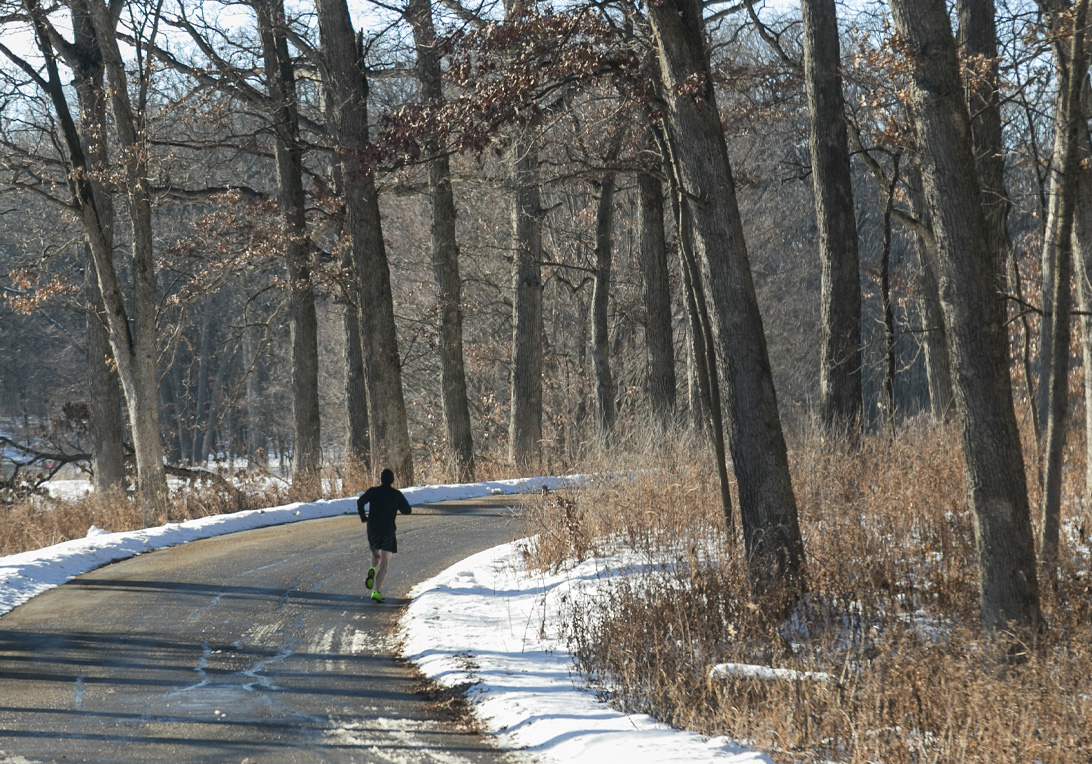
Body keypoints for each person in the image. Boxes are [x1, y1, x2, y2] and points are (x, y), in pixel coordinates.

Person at [356, 468, 412, 603]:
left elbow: (360, 501)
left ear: (381, 479)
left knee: (376, 556)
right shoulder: (396, 494)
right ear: (392, 480)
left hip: (373, 530)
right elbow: (407, 510)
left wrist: (364, 516)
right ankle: (377, 591)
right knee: (385, 563)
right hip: (388, 531)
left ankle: (371, 569)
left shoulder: (373, 491)